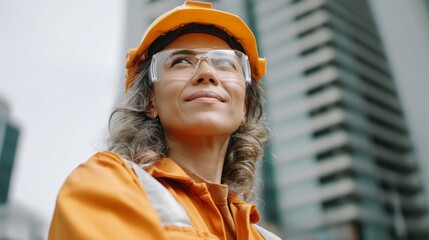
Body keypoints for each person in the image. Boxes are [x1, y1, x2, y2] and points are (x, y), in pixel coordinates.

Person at [49, 1, 280, 239]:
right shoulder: (104, 182)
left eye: (225, 63)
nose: (207, 73)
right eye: (180, 61)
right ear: (150, 101)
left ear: (245, 104)